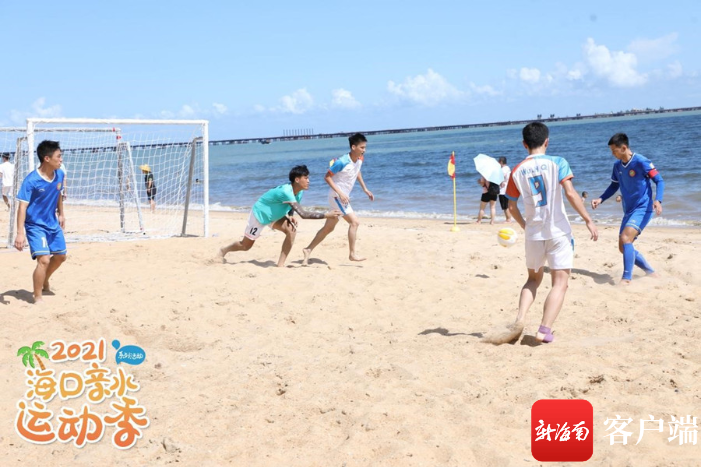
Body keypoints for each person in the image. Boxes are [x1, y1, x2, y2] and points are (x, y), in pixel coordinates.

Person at [501, 122, 598, 343]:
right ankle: (544, 330)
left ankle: (520, 319)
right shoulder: (558, 162)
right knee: (560, 283)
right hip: (558, 232)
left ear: (524, 144)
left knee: (533, 280)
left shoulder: (516, 170)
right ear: (547, 141)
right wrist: (588, 219)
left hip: (534, 234)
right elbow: (571, 193)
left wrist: (525, 226)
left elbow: (511, 207)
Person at [218, 165, 341, 268]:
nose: (308, 181)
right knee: (245, 246)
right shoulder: (286, 191)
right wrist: (327, 215)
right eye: (306, 178)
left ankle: (280, 265)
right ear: (297, 180)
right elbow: (303, 214)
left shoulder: (299, 191)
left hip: (275, 216)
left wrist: (290, 215)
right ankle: (224, 250)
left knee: (291, 230)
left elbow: (293, 206)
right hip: (260, 215)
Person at [591, 133, 664, 284]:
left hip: (643, 208)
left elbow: (659, 180)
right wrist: (601, 199)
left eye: (614, 150)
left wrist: (658, 200)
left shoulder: (641, 161)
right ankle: (650, 272)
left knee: (626, 239)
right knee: (623, 247)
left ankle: (626, 278)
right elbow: (614, 186)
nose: (612, 154)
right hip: (628, 210)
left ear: (624, 148)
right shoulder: (617, 166)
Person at [302, 133, 374, 265]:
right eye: (362, 147)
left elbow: (357, 171)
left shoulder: (360, 158)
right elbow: (327, 177)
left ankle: (308, 249)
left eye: (365, 147)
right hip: (336, 197)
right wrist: (340, 193)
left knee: (328, 228)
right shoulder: (341, 162)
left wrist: (365, 188)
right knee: (354, 222)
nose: (364, 150)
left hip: (342, 198)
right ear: (353, 147)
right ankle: (352, 254)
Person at [14, 140, 68, 304]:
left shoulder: (60, 174)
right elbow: (22, 207)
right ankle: (37, 297)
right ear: (47, 158)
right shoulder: (31, 180)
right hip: (35, 225)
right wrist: (20, 233)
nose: (61, 159)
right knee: (44, 259)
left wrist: (61, 213)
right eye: (58, 156)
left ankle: (44, 280)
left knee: (60, 256)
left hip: (52, 223)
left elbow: (58, 193)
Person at [498, 157, 513, 222]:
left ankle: (508, 219)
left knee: (505, 205)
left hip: (503, 190)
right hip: (507, 188)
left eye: (499, 162)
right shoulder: (508, 168)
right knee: (506, 205)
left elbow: (500, 177)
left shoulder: (503, 169)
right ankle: (508, 218)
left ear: (501, 162)